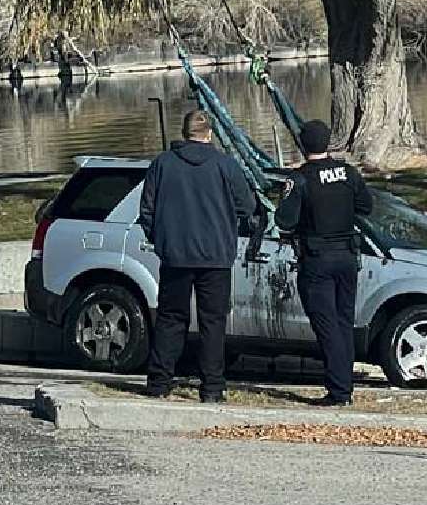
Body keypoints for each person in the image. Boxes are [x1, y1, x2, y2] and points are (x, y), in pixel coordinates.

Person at [139, 110, 256, 402]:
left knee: (170, 319)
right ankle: (213, 387)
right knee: (213, 323)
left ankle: (159, 382)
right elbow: (247, 205)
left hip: (175, 256)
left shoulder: (162, 164)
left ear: (184, 133)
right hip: (216, 257)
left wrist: (160, 240)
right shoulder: (225, 165)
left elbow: (147, 210)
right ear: (210, 134)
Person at [275, 120, 373, 406]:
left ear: (303, 146)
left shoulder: (301, 179)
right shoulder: (348, 173)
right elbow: (366, 206)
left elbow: (284, 220)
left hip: (317, 259)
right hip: (347, 257)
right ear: (328, 143)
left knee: (326, 324)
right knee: (343, 322)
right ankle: (345, 386)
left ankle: (339, 390)